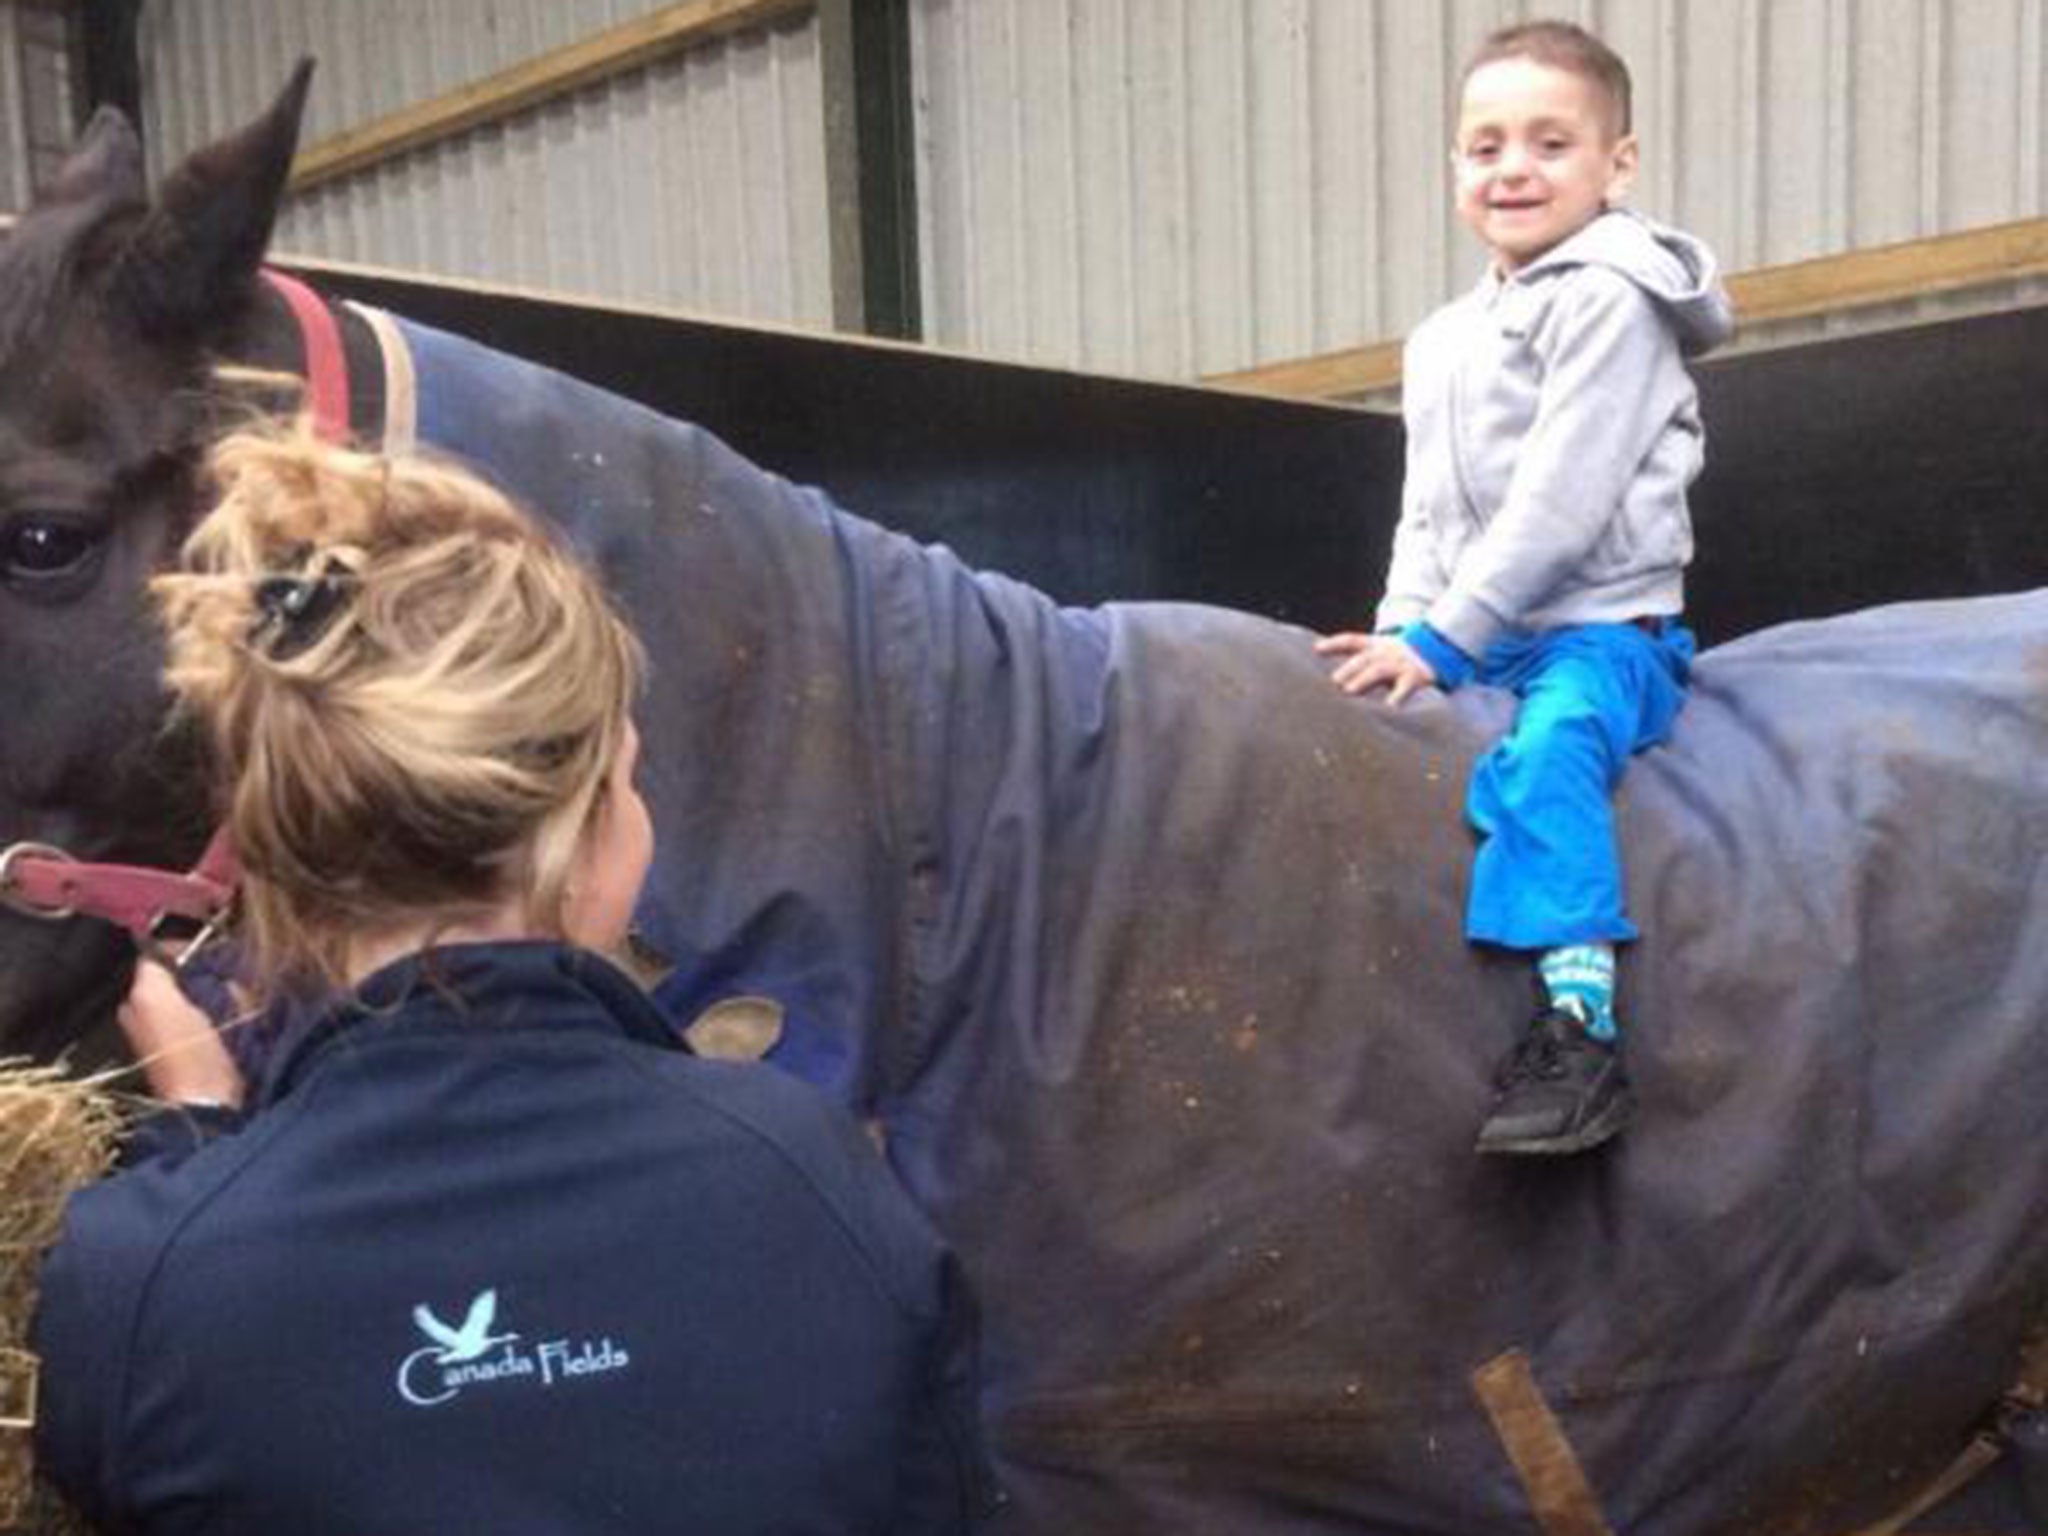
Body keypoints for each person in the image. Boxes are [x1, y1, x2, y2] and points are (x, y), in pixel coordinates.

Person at [32, 422, 993, 1533]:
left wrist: (199, 1146)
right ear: (588, 836)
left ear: (273, 844)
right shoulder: (815, 1182)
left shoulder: (136, 1283)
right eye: (627, 784)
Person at [1316, 20, 1733, 1157]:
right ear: (1453, 167)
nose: (1511, 168)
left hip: (1600, 632)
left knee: (1548, 752)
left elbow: (1561, 506)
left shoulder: (1607, 303)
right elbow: (1425, 512)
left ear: (1618, 163)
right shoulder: (1440, 338)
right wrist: (1404, 627)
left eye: (1550, 143)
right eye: (1483, 145)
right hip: (1476, 626)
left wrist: (1446, 642)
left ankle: (1580, 1029)